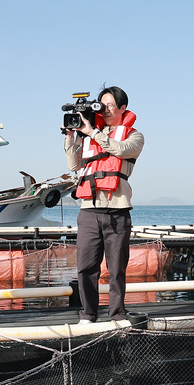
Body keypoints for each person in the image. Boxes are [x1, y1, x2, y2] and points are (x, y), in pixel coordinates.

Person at [64, 85, 144, 322]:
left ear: (123, 108)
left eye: (110, 105)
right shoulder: (88, 135)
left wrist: (92, 132)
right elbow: (73, 166)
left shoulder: (135, 136)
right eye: (102, 105)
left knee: (117, 269)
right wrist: (71, 137)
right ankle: (87, 315)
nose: (106, 110)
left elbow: (119, 150)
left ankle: (117, 314)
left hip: (118, 210)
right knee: (85, 267)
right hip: (88, 209)